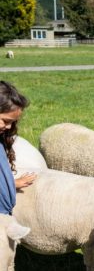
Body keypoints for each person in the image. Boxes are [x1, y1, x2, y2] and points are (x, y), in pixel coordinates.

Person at [0, 81, 36, 215]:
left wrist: (11, 184)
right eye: (6, 120)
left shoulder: (1, 140)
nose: (9, 127)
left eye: (12, 122)